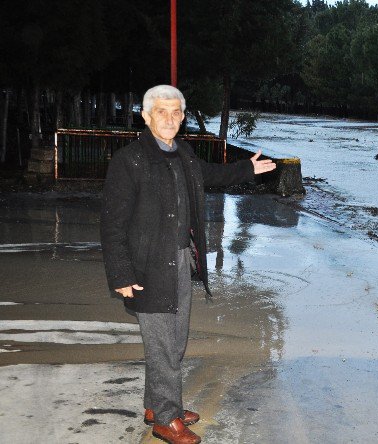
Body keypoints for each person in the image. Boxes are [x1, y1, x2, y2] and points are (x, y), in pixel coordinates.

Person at [100, 85, 276, 444]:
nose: (170, 119)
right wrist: (121, 273)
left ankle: (156, 404)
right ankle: (166, 419)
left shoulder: (184, 153)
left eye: (176, 112)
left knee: (174, 340)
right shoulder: (129, 161)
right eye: (161, 112)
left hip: (181, 259)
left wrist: (247, 169)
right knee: (163, 344)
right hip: (147, 266)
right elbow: (112, 224)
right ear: (146, 116)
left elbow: (210, 175)